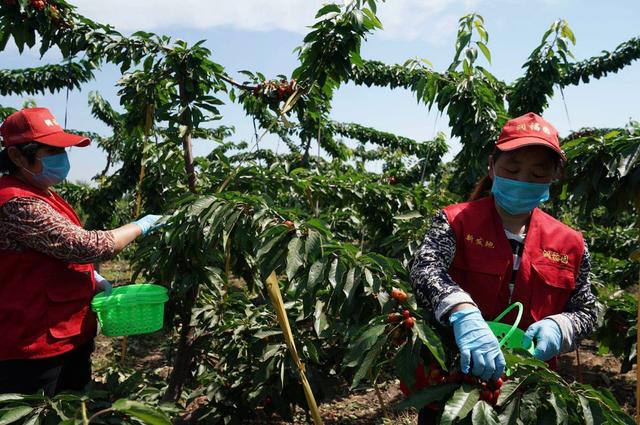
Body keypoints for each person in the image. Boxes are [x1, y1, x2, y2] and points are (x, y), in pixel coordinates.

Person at [409, 112, 597, 423]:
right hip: (452, 386)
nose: (523, 181)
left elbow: (587, 311)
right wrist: (460, 310)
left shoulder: (571, 243)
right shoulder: (455, 222)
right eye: (512, 169)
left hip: (524, 393)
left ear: (554, 177)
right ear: (492, 167)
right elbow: (425, 268)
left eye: (538, 174)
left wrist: (561, 327)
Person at [0, 107, 162, 396]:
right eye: (50, 152)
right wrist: (142, 225)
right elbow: (86, 245)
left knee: (74, 406)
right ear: (15, 156)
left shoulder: (44, 191)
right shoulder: (16, 202)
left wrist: (91, 278)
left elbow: (54, 250)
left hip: (67, 332)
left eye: (62, 151)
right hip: (34, 346)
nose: (61, 159)